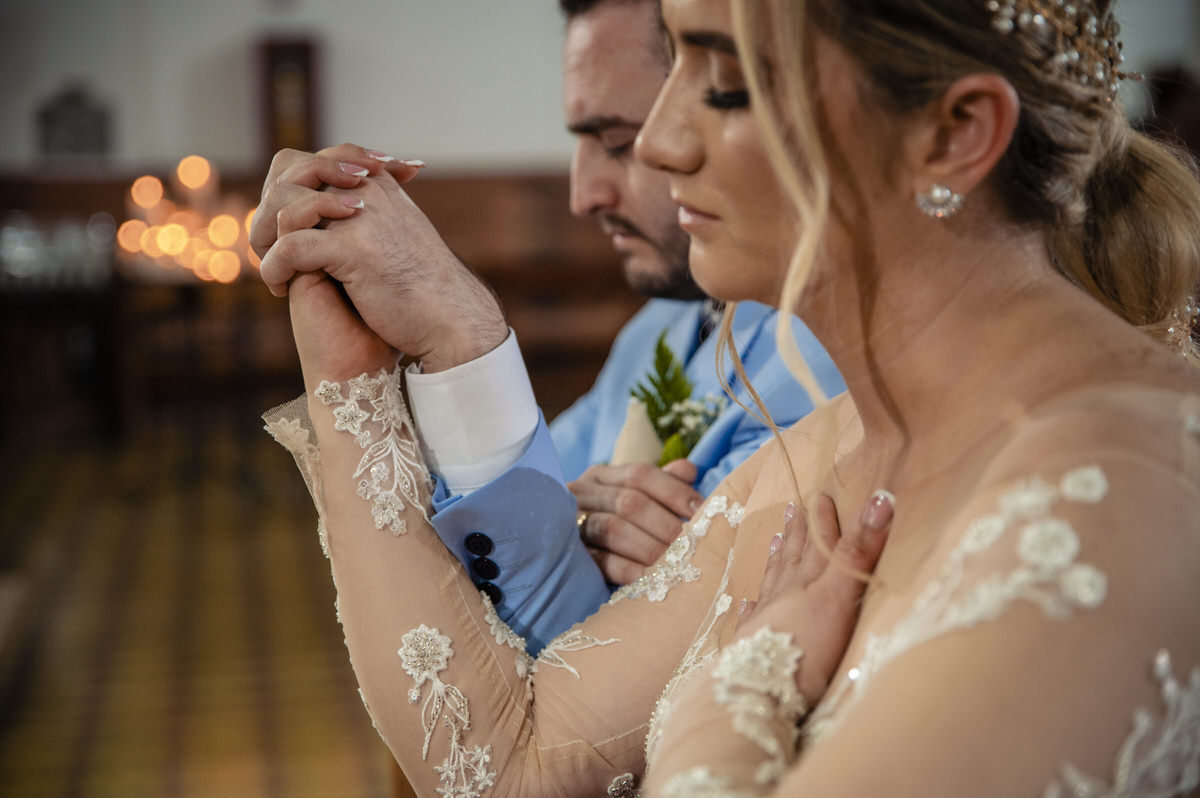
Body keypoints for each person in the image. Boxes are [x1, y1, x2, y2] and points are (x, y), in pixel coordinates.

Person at [259, 1, 1200, 798]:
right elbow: (506, 759)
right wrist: (355, 384)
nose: (662, 143)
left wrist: (737, 693)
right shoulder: (818, 457)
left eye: (724, 79)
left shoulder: (1119, 493)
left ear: (952, 134)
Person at [250, 0, 843, 654]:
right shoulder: (661, 326)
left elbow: (593, 680)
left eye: (620, 143)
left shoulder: (827, 366)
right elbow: (487, 537)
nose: (582, 194)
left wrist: (466, 343)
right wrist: (579, 522)